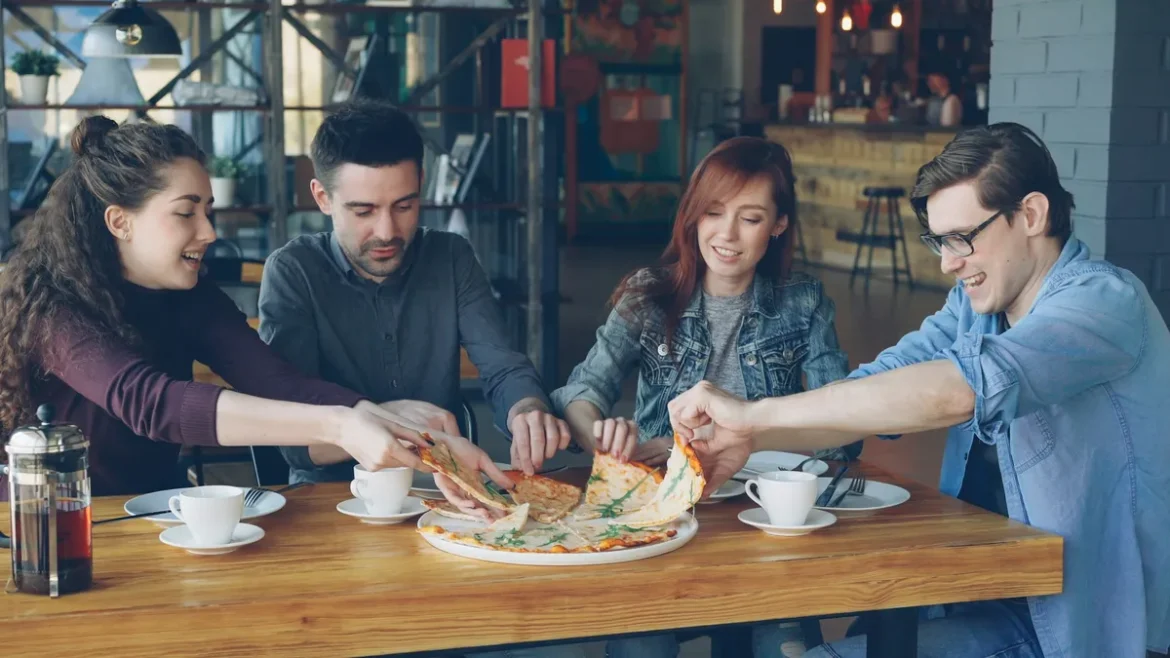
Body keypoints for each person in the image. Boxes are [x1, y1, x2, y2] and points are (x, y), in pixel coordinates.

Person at [667, 123, 1170, 658]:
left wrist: (755, 415)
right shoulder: (974, 308)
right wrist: (749, 436)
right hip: (980, 590)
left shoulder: (1103, 303)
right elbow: (874, 388)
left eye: (963, 238)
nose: (948, 263)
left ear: (1031, 215)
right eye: (939, 241)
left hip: (1074, 624)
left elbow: (959, 390)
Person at [0, 116, 508, 499]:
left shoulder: (190, 294)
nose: (209, 232)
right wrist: (342, 426)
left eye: (207, 210)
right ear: (120, 222)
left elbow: (279, 382)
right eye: (185, 213)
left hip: (150, 513)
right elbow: (153, 405)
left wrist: (398, 427)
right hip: (40, 526)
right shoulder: (53, 304)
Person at [551, 136, 860, 658]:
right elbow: (580, 392)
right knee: (642, 646)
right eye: (713, 212)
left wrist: (744, 439)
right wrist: (603, 437)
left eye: (751, 218)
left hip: (767, 517)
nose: (727, 234)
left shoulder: (803, 302)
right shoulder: (648, 294)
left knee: (784, 645)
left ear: (778, 225)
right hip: (663, 515)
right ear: (693, 215)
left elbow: (842, 431)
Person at [257, 99, 570, 507]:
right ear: (322, 197)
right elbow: (296, 441)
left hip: (443, 493)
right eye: (363, 211)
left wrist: (526, 408)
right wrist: (388, 418)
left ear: (421, 182)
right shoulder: (293, 272)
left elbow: (503, 367)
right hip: (328, 500)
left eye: (404, 206)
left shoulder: (451, 257)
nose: (387, 231)